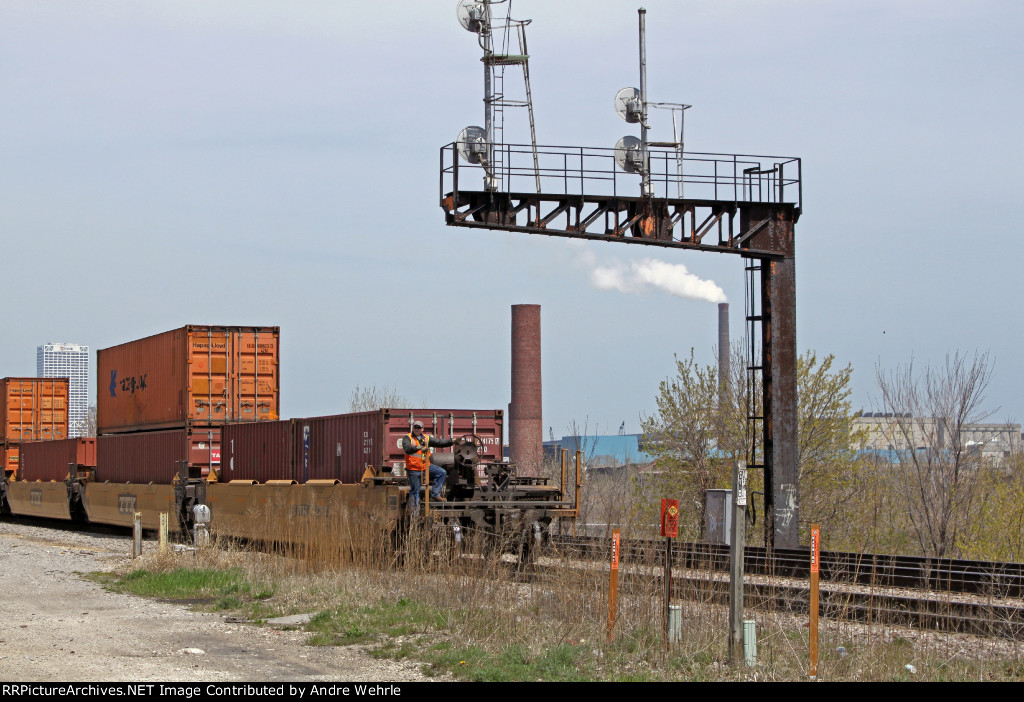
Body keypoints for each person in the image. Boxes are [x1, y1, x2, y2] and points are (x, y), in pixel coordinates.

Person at [402, 420, 457, 512]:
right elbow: (407, 449)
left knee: (441, 472)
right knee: (415, 491)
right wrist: (417, 447)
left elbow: (439, 442)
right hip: (414, 469)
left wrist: (452, 441)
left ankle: (435, 494)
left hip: (425, 467)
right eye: (415, 427)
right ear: (413, 428)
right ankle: (414, 514)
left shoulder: (426, 438)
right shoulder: (408, 438)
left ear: (422, 429)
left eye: (419, 427)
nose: (417, 429)